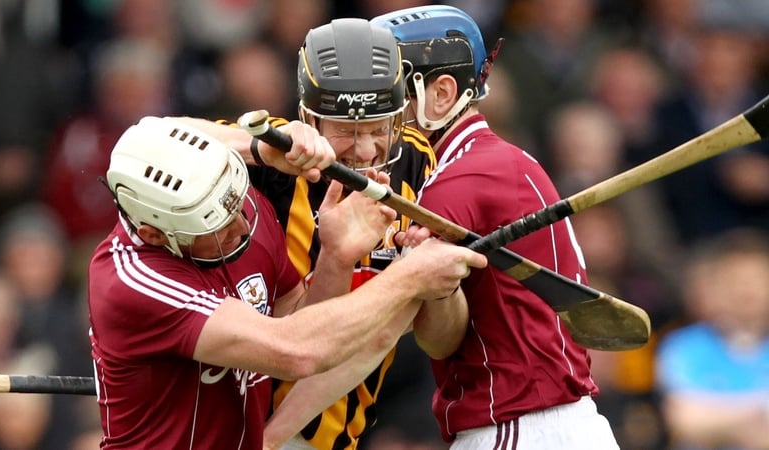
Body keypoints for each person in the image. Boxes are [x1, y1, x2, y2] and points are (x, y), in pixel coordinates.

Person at [87, 114, 486, 449]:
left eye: (238, 205)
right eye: (220, 229)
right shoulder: (133, 281)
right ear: (156, 234)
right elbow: (297, 350)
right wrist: (407, 279)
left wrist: (336, 257)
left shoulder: (237, 204)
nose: (243, 228)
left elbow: (299, 318)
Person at [192, 18, 459, 449]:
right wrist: (259, 147)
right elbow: (152, 139)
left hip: (340, 433)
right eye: (347, 131)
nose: (368, 150)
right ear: (309, 117)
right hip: (237, 424)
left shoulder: (417, 160)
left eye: (379, 128)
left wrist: (433, 283)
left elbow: (410, 334)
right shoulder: (271, 159)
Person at [370, 5, 620, 449]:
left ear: (442, 94)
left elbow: (435, 339)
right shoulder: (501, 160)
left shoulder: (456, 183)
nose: (373, 118)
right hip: (559, 424)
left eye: (389, 96)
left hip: (517, 426)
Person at [656, 228, 769, 450]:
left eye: (757, 279)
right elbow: (684, 418)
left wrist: (719, 419)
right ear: (714, 287)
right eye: (735, 279)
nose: (746, 290)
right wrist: (759, 411)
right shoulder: (681, 346)